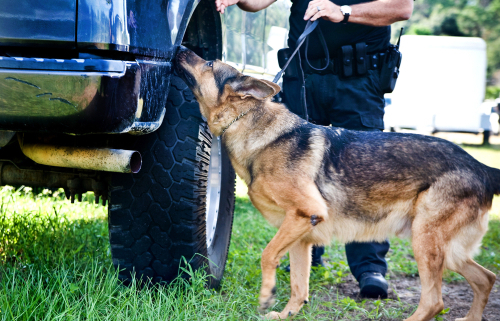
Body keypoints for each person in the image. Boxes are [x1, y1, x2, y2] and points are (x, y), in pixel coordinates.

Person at [215, 0, 413, 298]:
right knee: (297, 177)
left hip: (359, 78)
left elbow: (401, 8)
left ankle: (370, 267)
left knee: (362, 176)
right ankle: (306, 256)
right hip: (303, 76)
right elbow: (256, 3)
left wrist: (343, 12)